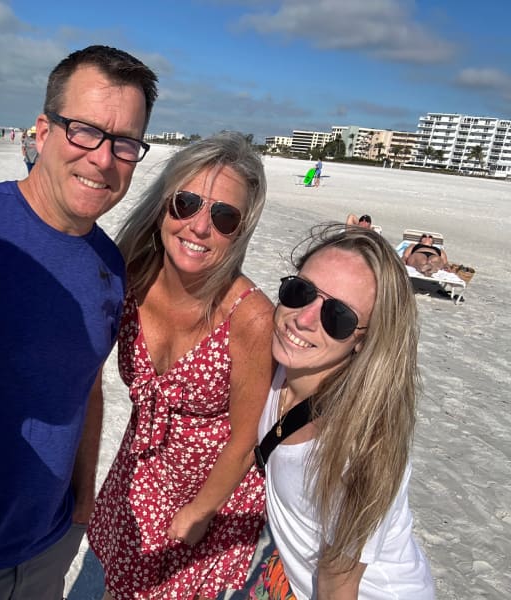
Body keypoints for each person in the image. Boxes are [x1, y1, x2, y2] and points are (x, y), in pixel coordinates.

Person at [0, 45, 158, 600]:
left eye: (125, 143)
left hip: (48, 545)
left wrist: (83, 499)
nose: (103, 159)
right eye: (85, 131)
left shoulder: (111, 265)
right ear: (42, 132)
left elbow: (85, 386)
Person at [87, 132, 275, 599]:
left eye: (224, 216)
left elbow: (246, 436)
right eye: (186, 203)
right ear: (163, 206)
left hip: (211, 496)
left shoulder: (250, 317)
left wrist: (201, 511)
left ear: (241, 230)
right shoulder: (132, 276)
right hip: (138, 476)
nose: (199, 226)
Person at [249, 225, 434, 599]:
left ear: (364, 339)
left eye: (338, 317)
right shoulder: (280, 366)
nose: (303, 319)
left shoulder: (357, 448)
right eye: (300, 292)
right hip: (296, 577)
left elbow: (339, 586)